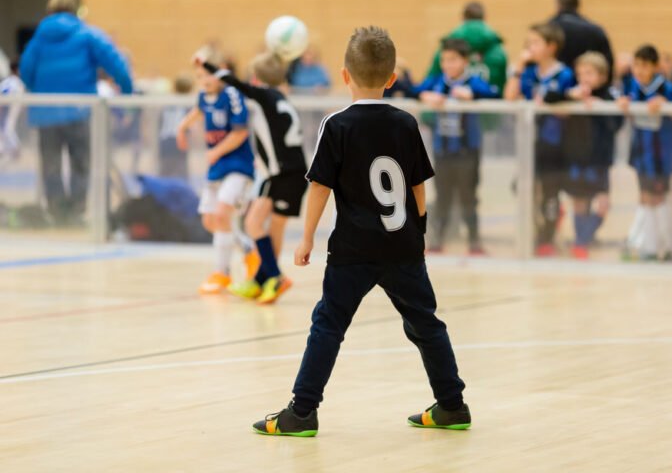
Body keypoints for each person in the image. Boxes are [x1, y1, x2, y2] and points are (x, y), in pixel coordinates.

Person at [252, 26, 469, 437]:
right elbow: (418, 185)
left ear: (344, 74)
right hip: (402, 245)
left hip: (353, 249)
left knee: (328, 325)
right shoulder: (406, 123)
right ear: (391, 78)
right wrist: (419, 233)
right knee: (426, 324)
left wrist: (305, 238)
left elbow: (319, 186)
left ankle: (301, 412)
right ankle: (452, 405)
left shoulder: (337, 125)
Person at [199, 52, 308, 304]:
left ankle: (276, 276)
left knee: (253, 223)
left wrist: (206, 63)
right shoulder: (281, 98)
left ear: (256, 79)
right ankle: (261, 280)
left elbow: (233, 81)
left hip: (280, 173)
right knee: (272, 228)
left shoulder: (263, 96)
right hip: (295, 173)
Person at [20, 0, 133, 225]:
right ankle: (76, 213)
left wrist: (40, 91)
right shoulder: (87, 35)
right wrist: (128, 92)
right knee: (81, 163)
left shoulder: (38, 39)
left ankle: (57, 214)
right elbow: (117, 64)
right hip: (80, 111)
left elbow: (26, 72)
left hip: (45, 113)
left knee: (50, 165)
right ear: (75, 10)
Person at [411, 38, 499, 254]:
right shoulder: (437, 81)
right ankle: (437, 241)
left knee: (469, 196)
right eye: (444, 60)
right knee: (443, 197)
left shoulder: (473, 82)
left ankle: (474, 242)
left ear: (465, 61)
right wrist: (425, 95)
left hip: (468, 152)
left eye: (453, 60)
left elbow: (495, 94)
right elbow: (411, 90)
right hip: (443, 152)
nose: (447, 65)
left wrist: (473, 95)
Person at [176, 49, 253, 294]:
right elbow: (198, 111)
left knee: (221, 215)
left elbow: (240, 132)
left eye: (209, 74)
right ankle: (251, 252)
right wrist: (182, 127)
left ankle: (222, 273)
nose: (205, 80)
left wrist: (217, 151)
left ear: (222, 73)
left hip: (238, 165)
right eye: (200, 76)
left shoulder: (232, 94)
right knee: (210, 220)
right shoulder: (203, 96)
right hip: (217, 165)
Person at [505, 22, 577, 256]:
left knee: (549, 193)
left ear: (551, 46)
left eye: (535, 43)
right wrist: (518, 67)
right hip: (530, 142)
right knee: (521, 187)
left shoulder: (565, 74)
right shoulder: (527, 72)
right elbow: (510, 97)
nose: (530, 47)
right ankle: (538, 231)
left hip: (555, 143)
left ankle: (546, 237)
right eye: (528, 43)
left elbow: (569, 107)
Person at [555, 52, 623, 259]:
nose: (584, 78)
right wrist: (569, 99)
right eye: (581, 73)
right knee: (579, 201)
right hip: (577, 157)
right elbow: (551, 101)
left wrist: (602, 108)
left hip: (600, 160)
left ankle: (583, 238)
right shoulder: (573, 94)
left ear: (602, 76)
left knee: (602, 204)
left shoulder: (610, 96)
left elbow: (616, 125)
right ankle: (580, 243)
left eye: (590, 73)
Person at [618, 45, 672, 262]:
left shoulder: (665, 87)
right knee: (645, 197)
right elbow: (622, 100)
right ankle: (649, 248)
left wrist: (665, 104)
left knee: (658, 198)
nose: (639, 70)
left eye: (645, 65)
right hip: (640, 152)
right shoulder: (631, 85)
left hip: (660, 154)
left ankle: (670, 246)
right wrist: (623, 103)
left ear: (655, 67)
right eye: (636, 65)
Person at [426, 1, 507, 94]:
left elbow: (430, 78)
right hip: (492, 106)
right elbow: (501, 88)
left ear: (463, 18)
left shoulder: (447, 45)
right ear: (484, 18)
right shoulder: (497, 49)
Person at [549, 0, 614, 86]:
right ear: (578, 4)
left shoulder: (546, 30)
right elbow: (608, 64)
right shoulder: (595, 30)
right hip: (589, 89)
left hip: (556, 88)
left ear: (557, 4)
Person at [158, 74, 194, 179]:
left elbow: (161, 122)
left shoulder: (167, 102)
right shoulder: (187, 104)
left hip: (165, 140)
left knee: (165, 170)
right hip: (179, 140)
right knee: (181, 171)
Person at [0, 60, 24, 162]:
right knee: (6, 127)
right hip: (7, 106)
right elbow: (4, 93)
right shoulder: (12, 81)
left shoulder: (13, 81)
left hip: (11, 106)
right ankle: (8, 149)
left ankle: (14, 149)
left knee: (7, 127)